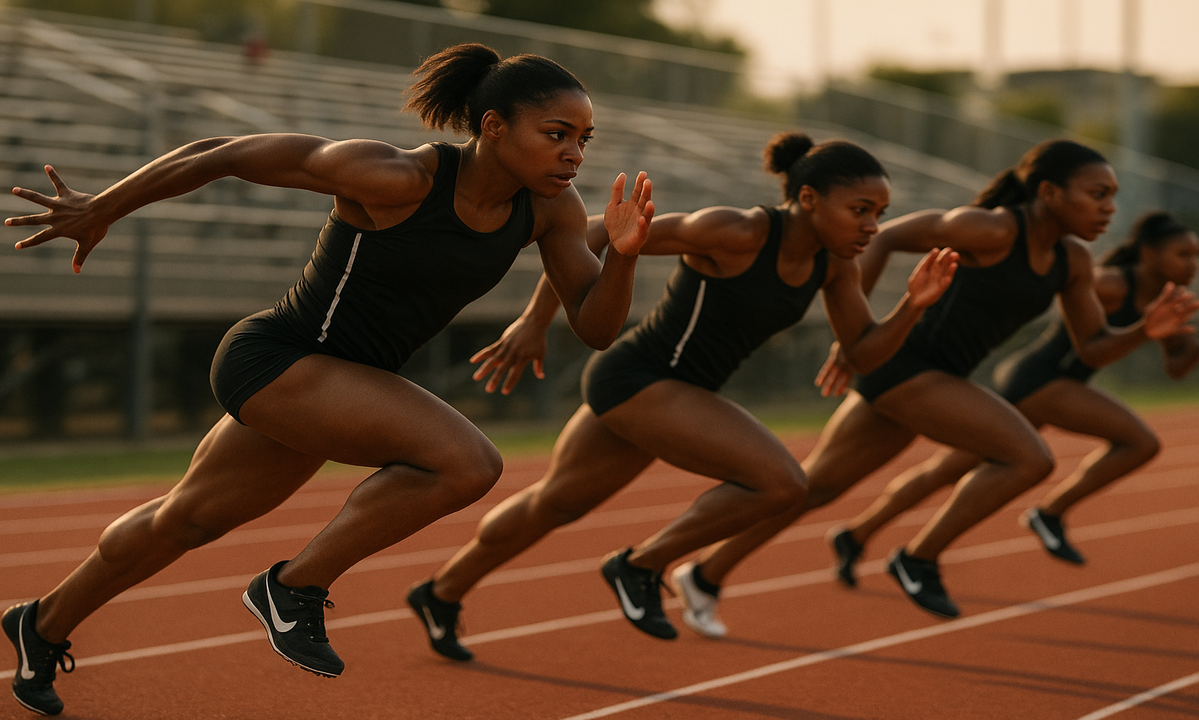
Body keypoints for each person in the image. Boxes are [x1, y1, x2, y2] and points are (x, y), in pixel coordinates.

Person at [0, 43, 655, 715]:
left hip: (341, 387)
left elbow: (597, 327)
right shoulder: (396, 178)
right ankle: (295, 587)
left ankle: (42, 622)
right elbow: (223, 151)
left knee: (186, 519)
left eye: (583, 139)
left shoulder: (551, 211)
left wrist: (625, 257)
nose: (575, 153)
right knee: (467, 463)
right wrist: (104, 206)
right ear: (492, 127)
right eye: (557, 135)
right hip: (280, 359)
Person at [404, 131, 959, 660]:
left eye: (879, 214)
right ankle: (641, 565)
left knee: (557, 502)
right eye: (861, 209)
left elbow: (862, 354)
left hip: (676, 394)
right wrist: (535, 320)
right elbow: (598, 232)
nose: (872, 226)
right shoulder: (736, 232)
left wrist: (913, 306)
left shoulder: (834, 268)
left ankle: (441, 591)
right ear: (808, 199)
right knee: (783, 482)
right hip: (640, 376)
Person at [673, 139, 1198, 629]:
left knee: (814, 489)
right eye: (1098, 194)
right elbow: (891, 235)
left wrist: (1142, 331)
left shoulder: (1072, 261)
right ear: (1049, 193)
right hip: (906, 363)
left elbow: (1094, 349)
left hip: (928, 377)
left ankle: (704, 574)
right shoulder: (992, 230)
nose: (1109, 208)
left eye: (1112, 197)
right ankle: (917, 556)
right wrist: (855, 334)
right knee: (1029, 458)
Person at [829, 210, 1199, 578]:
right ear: (1150, 254)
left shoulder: (1169, 302)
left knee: (944, 471)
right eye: (1183, 254)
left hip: (1058, 386)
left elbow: (1177, 368)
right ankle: (1049, 511)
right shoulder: (1113, 284)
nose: (1192, 264)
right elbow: (1075, 302)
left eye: (1196, 256)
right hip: (1038, 379)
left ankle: (856, 533)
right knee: (1139, 441)